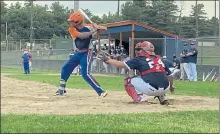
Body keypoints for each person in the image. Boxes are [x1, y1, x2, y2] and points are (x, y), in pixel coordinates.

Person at [98, 41, 173, 105]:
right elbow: (170, 76)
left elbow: (120, 64)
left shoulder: (139, 59)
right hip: (166, 88)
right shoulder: (160, 59)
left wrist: (107, 59)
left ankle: (140, 99)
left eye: (139, 49)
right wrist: (171, 87)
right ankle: (163, 98)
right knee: (158, 77)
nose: (137, 51)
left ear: (144, 50)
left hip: (151, 89)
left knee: (128, 81)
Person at [56, 11, 108, 97]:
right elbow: (82, 36)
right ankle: (61, 90)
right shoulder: (72, 29)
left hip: (87, 52)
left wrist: (97, 26)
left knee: (85, 74)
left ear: (78, 21)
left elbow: (105, 29)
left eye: (72, 21)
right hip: (78, 53)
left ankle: (101, 91)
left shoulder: (89, 27)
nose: (70, 22)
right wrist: (94, 30)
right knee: (65, 68)